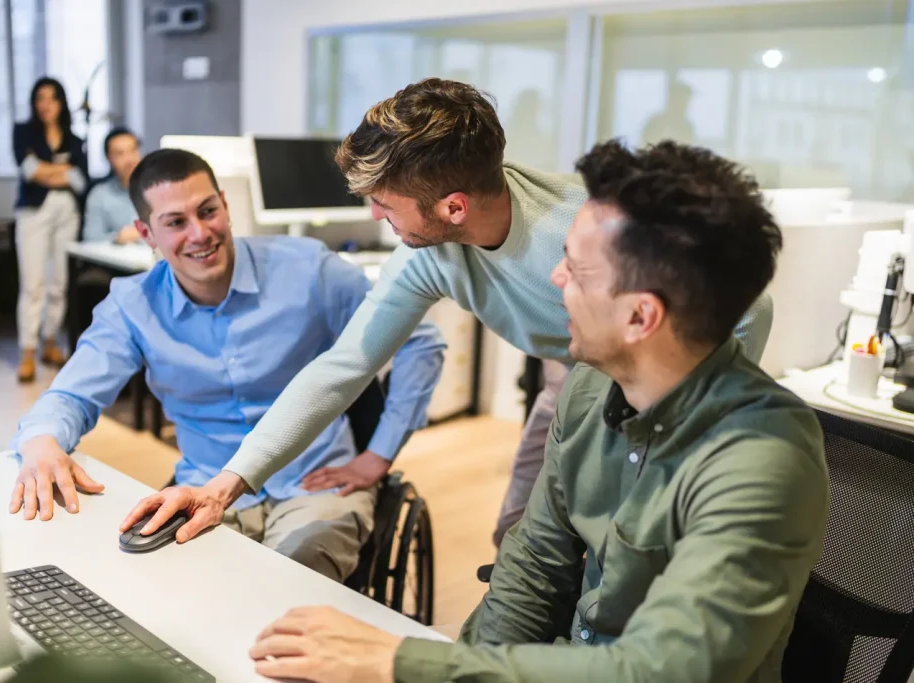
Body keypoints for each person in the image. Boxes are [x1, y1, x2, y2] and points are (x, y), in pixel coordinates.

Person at [247, 139, 829, 683]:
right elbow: (533, 571)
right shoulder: (584, 393)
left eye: (574, 269)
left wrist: (404, 663)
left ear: (639, 317)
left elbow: (659, 669)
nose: (554, 280)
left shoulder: (762, 458)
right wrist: (456, 665)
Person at [115, 77, 775, 545]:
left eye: (386, 202)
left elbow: (753, 305)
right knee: (521, 534)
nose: (375, 215)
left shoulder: (588, 232)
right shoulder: (430, 251)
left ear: (452, 207)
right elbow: (344, 365)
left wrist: (686, 409)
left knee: (621, 545)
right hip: (569, 369)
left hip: (646, 373)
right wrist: (228, 483)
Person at [8, 149, 446, 582]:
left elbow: (420, 342)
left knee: (288, 583)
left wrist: (378, 454)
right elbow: (70, 395)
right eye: (176, 223)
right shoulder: (133, 305)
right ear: (146, 233)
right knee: (154, 587)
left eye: (207, 211)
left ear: (226, 206)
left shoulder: (308, 270)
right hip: (205, 486)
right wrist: (42, 441)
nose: (199, 233)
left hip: (316, 484)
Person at [12, 76, 88, 383]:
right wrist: (65, 171)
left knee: (60, 281)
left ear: (61, 102)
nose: (46, 104)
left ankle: (50, 342)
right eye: (40, 98)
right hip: (34, 211)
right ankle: (27, 351)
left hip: (67, 212)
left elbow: (81, 181)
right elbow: (30, 172)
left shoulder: (74, 138)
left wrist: (52, 171)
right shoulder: (23, 132)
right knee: (33, 284)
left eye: (52, 98)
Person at [82, 127, 142, 244]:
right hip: (116, 259)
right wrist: (118, 237)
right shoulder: (99, 195)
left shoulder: (160, 190)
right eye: (120, 154)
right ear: (109, 159)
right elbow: (90, 238)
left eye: (133, 150)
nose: (129, 159)